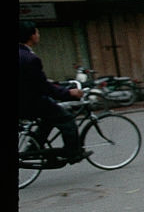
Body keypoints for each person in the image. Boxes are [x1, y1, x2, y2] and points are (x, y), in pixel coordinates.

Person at [18, 21, 91, 163]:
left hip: (22, 101)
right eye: (37, 32)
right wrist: (69, 93)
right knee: (67, 119)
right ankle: (73, 153)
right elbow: (42, 87)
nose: (38, 35)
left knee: (49, 117)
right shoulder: (30, 58)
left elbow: (31, 80)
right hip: (29, 102)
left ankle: (34, 148)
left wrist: (51, 84)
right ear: (31, 36)